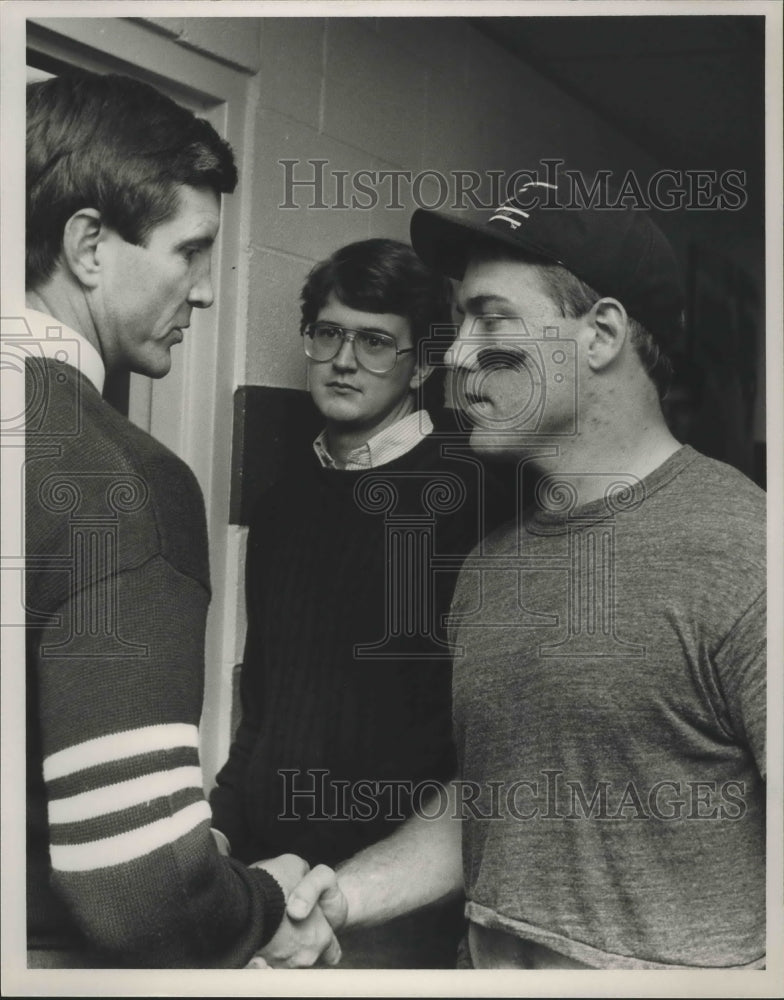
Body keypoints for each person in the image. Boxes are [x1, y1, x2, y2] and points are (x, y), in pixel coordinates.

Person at [286, 179, 766, 969]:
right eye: (458, 319)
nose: (459, 354)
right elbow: (490, 796)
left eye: (491, 319)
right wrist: (344, 896)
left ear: (601, 334)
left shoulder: (747, 553)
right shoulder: (490, 564)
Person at [19, 70, 340, 969]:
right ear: (89, 245)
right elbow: (141, 889)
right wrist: (268, 902)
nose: (204, 292)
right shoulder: (120, 484)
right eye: (189, 251)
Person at [210, 238, 511, 968]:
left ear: (425, 364)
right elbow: (266, 700)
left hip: (394, 902)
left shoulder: (474, 498)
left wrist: (367, 890)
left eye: (377, 342)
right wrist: (216, 834)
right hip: (264, 880)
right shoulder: (282, 506)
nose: (345, 361)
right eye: (328, 333)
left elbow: (487, 739)